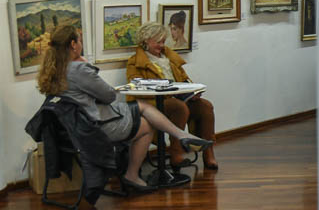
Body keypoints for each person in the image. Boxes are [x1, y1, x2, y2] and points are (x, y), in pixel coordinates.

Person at [36, 25, 212, 193]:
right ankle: (132, 174)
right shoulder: (78, 69)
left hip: (74, 128)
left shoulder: (54, 68)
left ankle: (182, 136)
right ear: (73, 45)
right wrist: (86, 65)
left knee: (143, 108)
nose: (81, 44)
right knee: (146, 125)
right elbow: (109, 96)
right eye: (80, 41)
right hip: (94, 128)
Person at [127, 22, 218, 170]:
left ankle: (208, 150)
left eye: (163, 41)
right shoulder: (135, 62)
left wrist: (192, 92)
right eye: (158, 42)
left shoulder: (170, 58)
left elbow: (184, 79)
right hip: (153, 103)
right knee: (178, 107)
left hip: (178, 99)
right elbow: (135, 86)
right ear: (146, 41)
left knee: (205, 106)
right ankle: (176, 152)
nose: (161, 45)